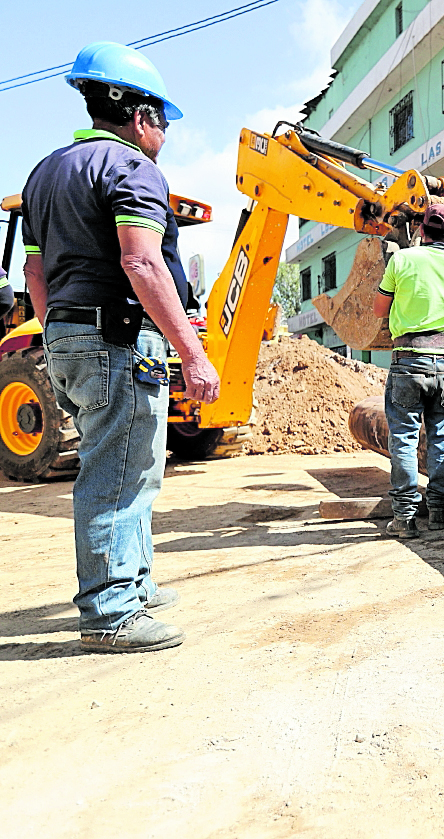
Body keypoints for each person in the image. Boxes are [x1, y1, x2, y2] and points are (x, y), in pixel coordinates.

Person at [21, 42, 220, 653]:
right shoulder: (134, 170)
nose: (165, 134)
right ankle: (110, 614)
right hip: (116, 337)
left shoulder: (45, 172)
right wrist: (194, 353)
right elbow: (140, 259)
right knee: (117, 473)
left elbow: (35, 275)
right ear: (140, 117)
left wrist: (57, 332)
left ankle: (132, 585)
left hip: (69, 335)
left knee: (134, 467)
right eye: (163, 121)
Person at [374, 203, 444, 538]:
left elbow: (379, 309)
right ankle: (438, 514)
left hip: (407, 359)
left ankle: (404, 519)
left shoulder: (402, 259)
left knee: (403, 438)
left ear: (421, 230)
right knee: (443, 438)